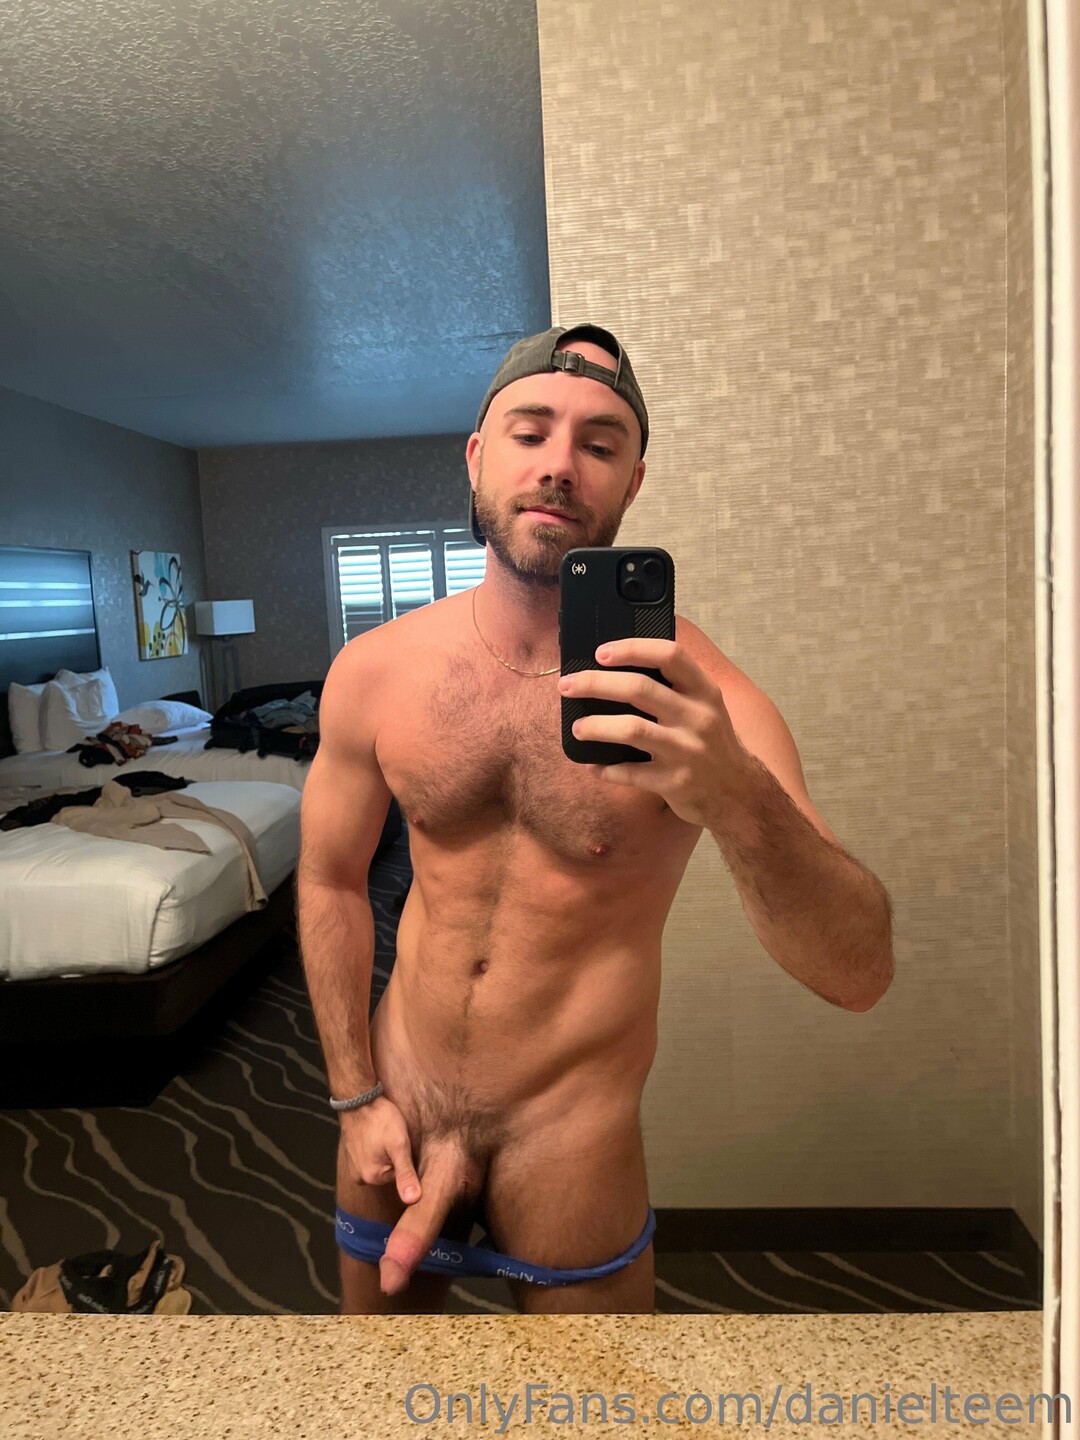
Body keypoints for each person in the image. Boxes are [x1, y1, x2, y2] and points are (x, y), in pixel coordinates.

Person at [297, 323, 894, 1316]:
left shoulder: (700, 700)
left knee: (591, 1396)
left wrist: (733, 794)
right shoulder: (375, 672)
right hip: (394, 1102)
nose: (560, 465)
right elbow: (328, 881)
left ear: (634, 482)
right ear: (478, 457)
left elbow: (859, 972)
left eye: (601, 444)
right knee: (382, 1391)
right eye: (530, 432)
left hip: (570, 1136)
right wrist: (354, 1094)